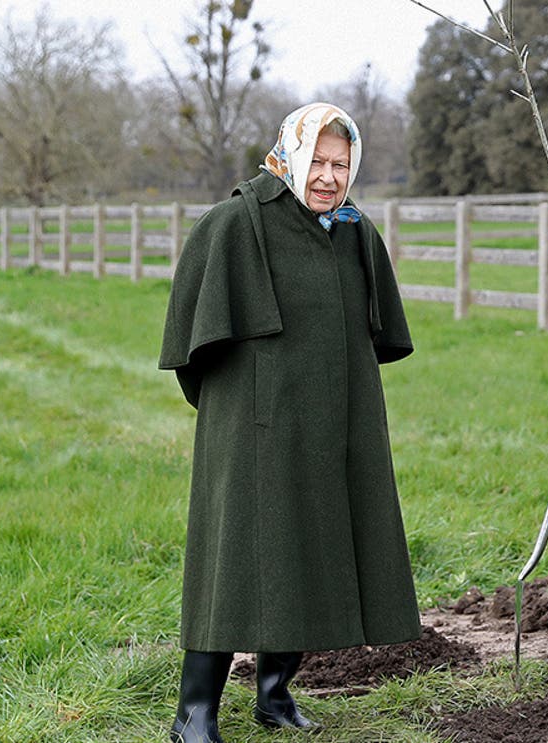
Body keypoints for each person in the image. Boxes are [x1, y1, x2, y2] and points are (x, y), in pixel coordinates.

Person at [158, 103, 421, 742]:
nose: (329, 177)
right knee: (235, 560)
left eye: (342, 164)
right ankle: (194, 714)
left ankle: (274, 696)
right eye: (319, 161)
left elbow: (377, 331)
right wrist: (241, 413)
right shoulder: (233, 224)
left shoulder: (354, 231)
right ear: (292, 153)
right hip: (254, 426)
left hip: (336, 420)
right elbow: (194, 349)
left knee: (316, 547)